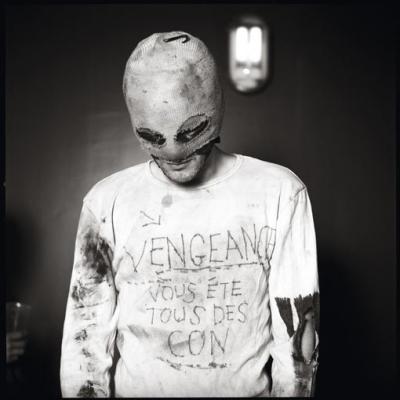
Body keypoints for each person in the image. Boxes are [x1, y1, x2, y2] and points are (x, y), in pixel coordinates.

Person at [60, 31, 319, 397]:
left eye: (190, 132)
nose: (173, 154)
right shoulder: (106, 203)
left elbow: (297, 352)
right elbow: (84, 345)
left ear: (214, 110)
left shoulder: (280, 193)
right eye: (152, 137)